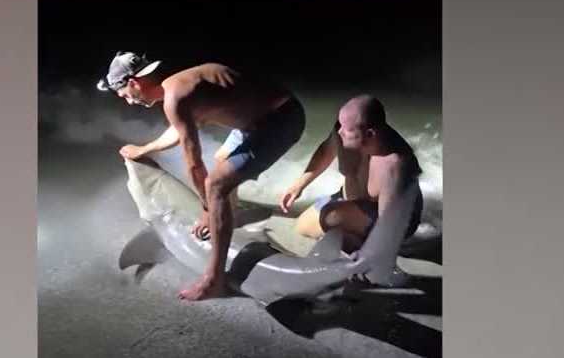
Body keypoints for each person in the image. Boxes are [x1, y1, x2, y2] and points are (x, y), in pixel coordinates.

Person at [97, 51, 305, 300]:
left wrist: (207, 209)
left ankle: (214, 280)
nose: (129, 102)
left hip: (280, 121)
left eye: (125, 95)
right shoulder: (178, 86)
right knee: (221, 162)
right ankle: (228, 219)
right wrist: (144, 149)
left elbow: (194, 165)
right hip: (255, 121)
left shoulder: (176, 97)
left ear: (134, 83)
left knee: (215, 184)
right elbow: (179, 130)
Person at [279, 95, 423, 256]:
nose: (339, 131)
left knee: (331, 217)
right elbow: (326, 152)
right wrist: (299, 185)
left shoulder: (394, 165)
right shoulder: (344, 131)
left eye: (345, 129)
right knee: (302, 227)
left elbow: (389, 225)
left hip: (390, 217)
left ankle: (356, 244)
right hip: (352, 201)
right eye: (340, 125)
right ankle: (348, 234)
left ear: (370, 134)